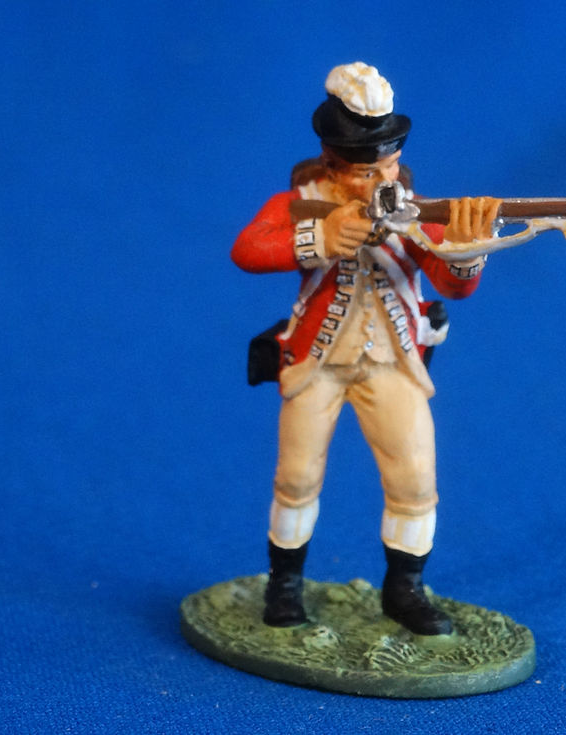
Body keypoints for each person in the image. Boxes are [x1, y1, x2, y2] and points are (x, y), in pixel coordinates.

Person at [231, 62, 499, 636]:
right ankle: (285, 586)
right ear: (332, 164)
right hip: (315, 363)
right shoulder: (301, 202)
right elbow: (248, 249)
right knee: (296, 477)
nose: (381, 178)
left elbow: (454, 286)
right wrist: (321, 237)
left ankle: (405, 591)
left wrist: (466, 249)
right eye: (365, 171)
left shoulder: (413, 209)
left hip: (393, 362)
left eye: (389, 164)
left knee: (415, 480)